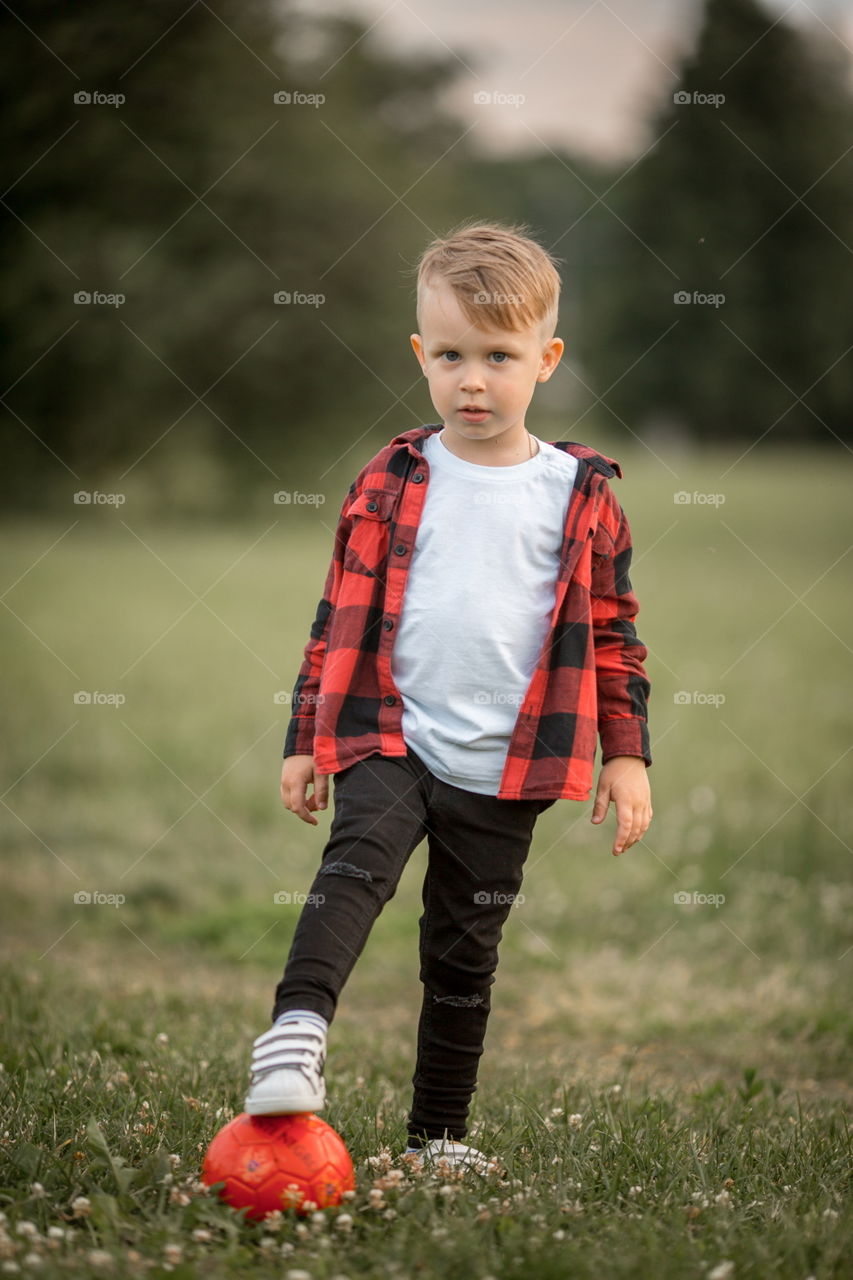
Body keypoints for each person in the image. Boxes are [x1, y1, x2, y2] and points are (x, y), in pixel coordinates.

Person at [245, 219, 653, 1171]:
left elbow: (613, 637)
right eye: (453, 355)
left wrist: (626, 755)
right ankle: (293, 1041)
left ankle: (436, 1138)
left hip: (507, 764)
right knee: (350, 878)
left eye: (500, 356)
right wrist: (305, 736)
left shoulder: (579, 495)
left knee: (464, 953)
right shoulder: (393, 475)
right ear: (421, 356)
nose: (474, 379)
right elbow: (334, 613)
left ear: (545, 360)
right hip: (390, 733)